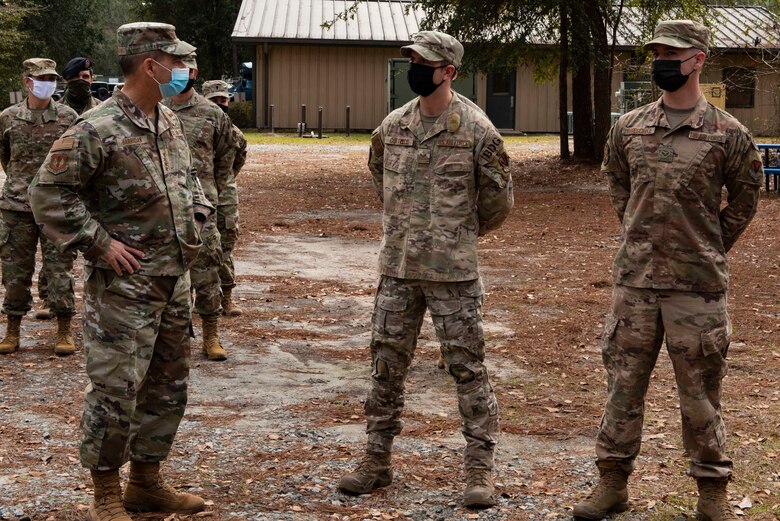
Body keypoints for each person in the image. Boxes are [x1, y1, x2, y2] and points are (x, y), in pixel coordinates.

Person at [573, 20, 762, 521]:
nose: (662, 61)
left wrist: (709, 245)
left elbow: (746, 198)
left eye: (672, 53)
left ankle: (711, 493)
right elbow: (618, 182)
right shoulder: (629, 126)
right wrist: (639, 232)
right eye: (657, 51)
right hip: (634, 284)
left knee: (701, 394)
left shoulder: (729, 133)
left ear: (698, 59)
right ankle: (612, 484)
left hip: (696, 288)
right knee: (623, 386)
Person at [29, 22, 213, 521]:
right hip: (124, 289)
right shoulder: (96, 128)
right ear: (151, 66)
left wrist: (198, 213)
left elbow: (188, 179)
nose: (184, 70)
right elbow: (47, 193)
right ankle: (106, 495)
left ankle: (146, 484)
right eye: (176, 62)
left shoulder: (167, 121)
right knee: (115, 390)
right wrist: (100, 243)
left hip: (172, 281)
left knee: (167, 385)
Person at [338, 31, 514, 509]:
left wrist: (455, 235)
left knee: (467, 370)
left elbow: (498, 202)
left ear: (449, 71)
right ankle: (376, 462)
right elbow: (381, 178)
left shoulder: (479, 131)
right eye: (412, 60)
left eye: (426, 63)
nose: (416, 69)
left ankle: (479, 471)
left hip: (453, 275)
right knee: (385, 368)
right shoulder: (392, 126)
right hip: (397, 270)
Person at [0, 58, 78, 355]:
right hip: (16, 206)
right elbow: (6, 157)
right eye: (42, 77)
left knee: (60, 269)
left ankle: (64, 329)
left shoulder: (67, 117)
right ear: (27, 81)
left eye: (52, 78)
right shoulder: (8, 117)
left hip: (56, 204)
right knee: (15, 271)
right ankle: (13, 329)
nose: (49, 83)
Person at [165, 56, 238, 359]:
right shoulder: (157, 108)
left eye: (188, 68)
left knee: (207, 270)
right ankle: (171, 338)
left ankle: (211, 335)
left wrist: (213, 194)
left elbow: (228, 157)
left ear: (195, 73)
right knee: (166, 274)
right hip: (164, 207)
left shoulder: (212, 113)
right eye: (177, 66)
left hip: (202, 209)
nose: (183, 73)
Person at [202, 79, 247, 316]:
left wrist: (227, 179)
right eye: (214, 100)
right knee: (199, 244)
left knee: (226, 241)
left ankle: (226, 296)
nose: (220, 104)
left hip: (225, 193)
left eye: (224, 99)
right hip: (199, 191)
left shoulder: (234, 133)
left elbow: (239, 158)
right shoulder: (195, 127)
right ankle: (196, 297)